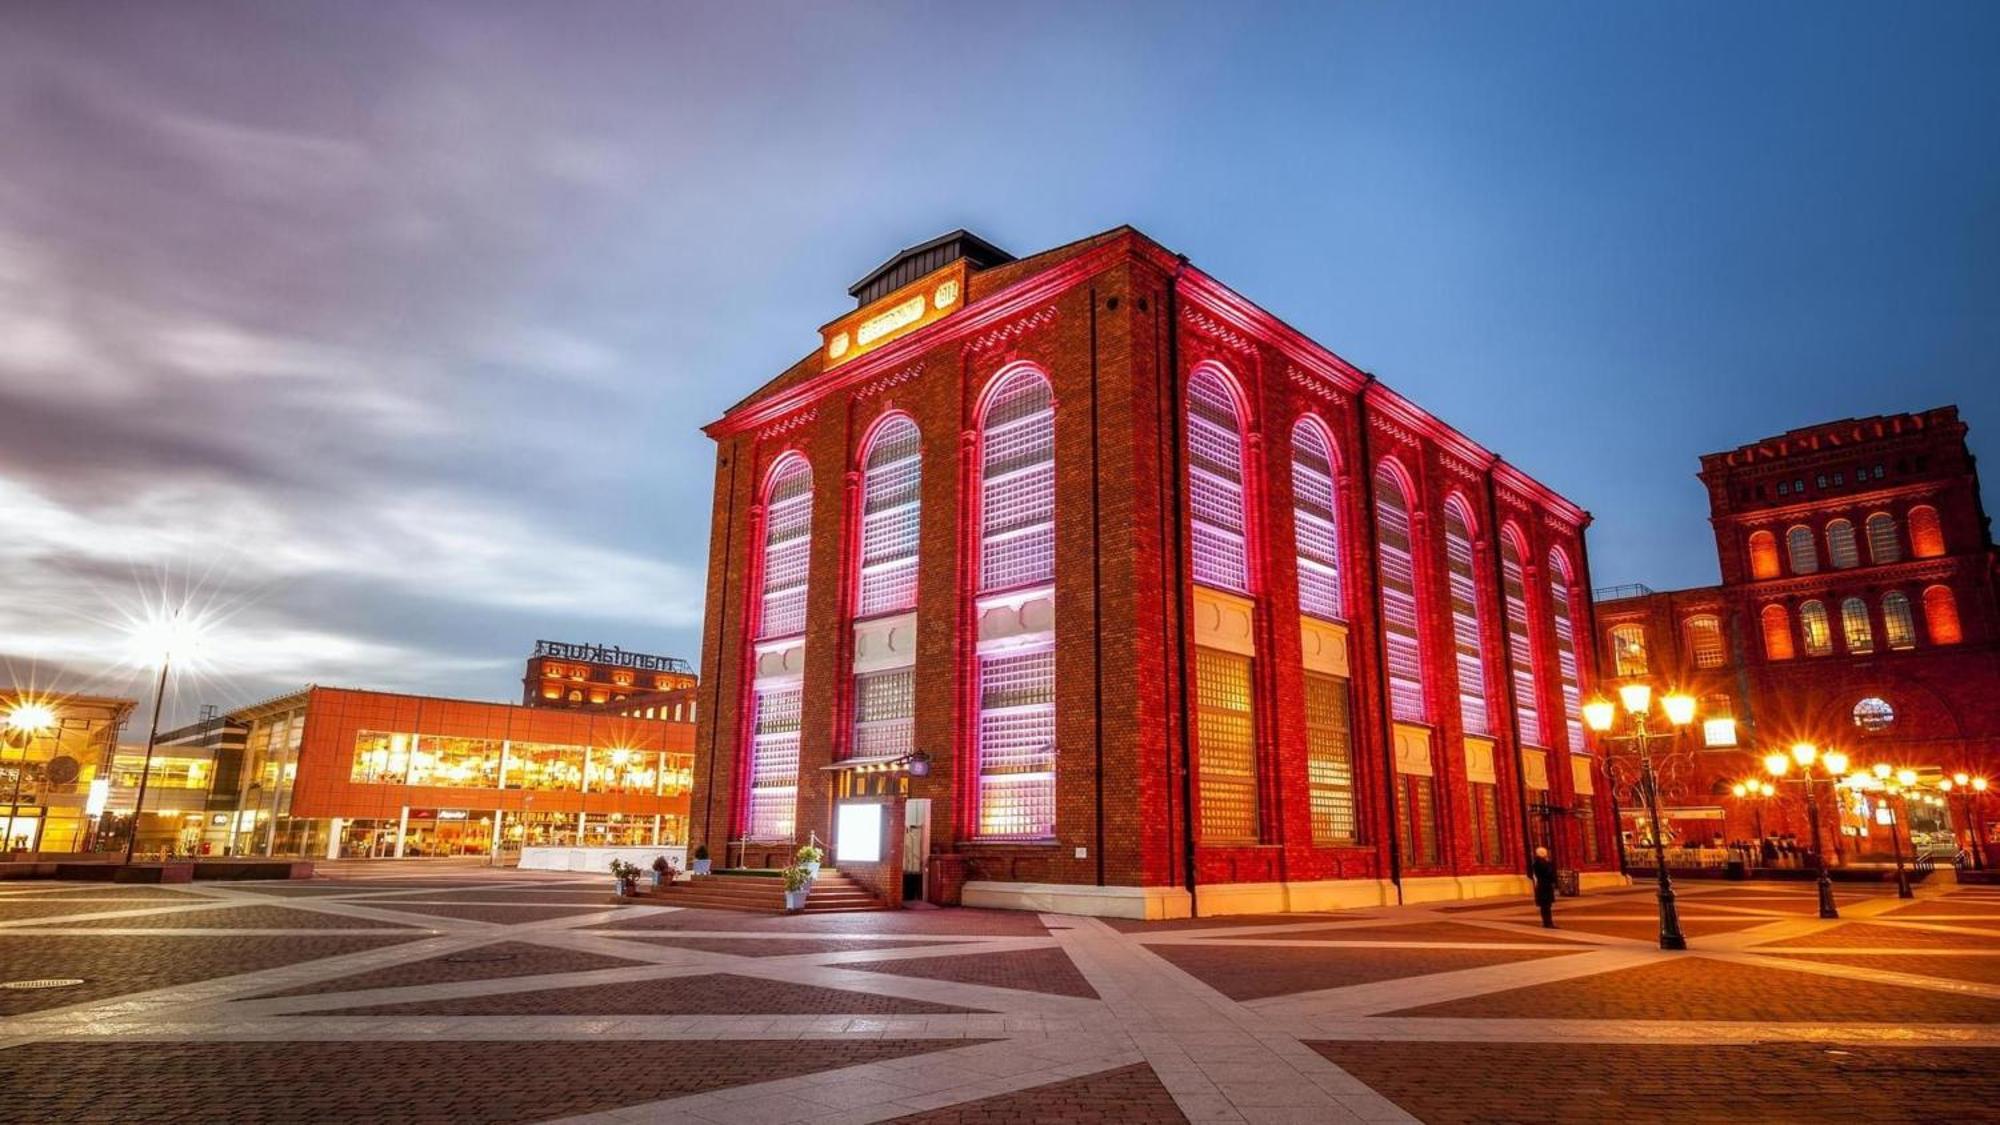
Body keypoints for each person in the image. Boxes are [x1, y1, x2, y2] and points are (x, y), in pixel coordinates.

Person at [1530, 846, 1558, 928]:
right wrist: (1549, 863)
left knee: (1544, 906)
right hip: (1545, 886)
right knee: (1546, 906)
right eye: (1545, 853)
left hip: (1541, 885)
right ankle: (1548, 923)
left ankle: (1546, 922)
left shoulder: (1536, 863)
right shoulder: (1542, 863)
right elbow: (1548, 872)